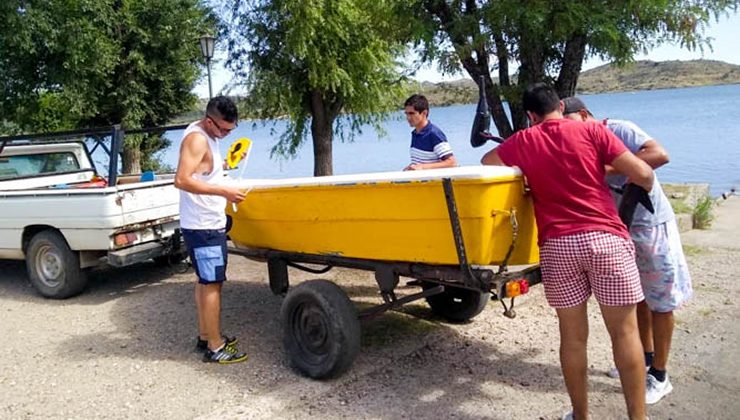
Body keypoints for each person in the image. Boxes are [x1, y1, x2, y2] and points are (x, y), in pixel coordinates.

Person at [481, 83, 654, 420]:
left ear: (530, 116)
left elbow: (488, 161)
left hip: (559, 246)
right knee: (625, 333)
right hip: (606, 240)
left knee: (573, 338)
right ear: (560, 105)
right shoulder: (592, 131)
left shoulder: (523, 140)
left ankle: (581, 415)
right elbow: (644, 173)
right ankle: (638, 417)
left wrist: (530, 178)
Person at [563, 97, 693, 405]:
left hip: (650, 225)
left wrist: (604, 169)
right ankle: (646, 360)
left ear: (583, 114)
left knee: (661, 302)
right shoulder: (576, 140)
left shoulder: (619, 129)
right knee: (637, 299)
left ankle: (660, 376)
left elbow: (659, 154)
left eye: (567, 124)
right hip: (618, 228)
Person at [174, 96, 248, 364]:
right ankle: (215, 347)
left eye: (232, 130)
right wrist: (224, 191)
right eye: (225, 130)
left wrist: (228, 164)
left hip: (205, 224)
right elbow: (181, 179)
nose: (227, 134)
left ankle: (206, 335)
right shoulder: (197, 139)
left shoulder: (208, 135)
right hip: (203, 226)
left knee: (205, 281)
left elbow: (202, 170)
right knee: (212, 284)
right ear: (209, 121)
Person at [403, 94, 458, 170]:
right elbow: (422, 162)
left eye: (412, 113)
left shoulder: (434, 133)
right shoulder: (415, 133)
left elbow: (452, 163)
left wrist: (422, 167)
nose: (408, 117)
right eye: (406, 114)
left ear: (424, 113)